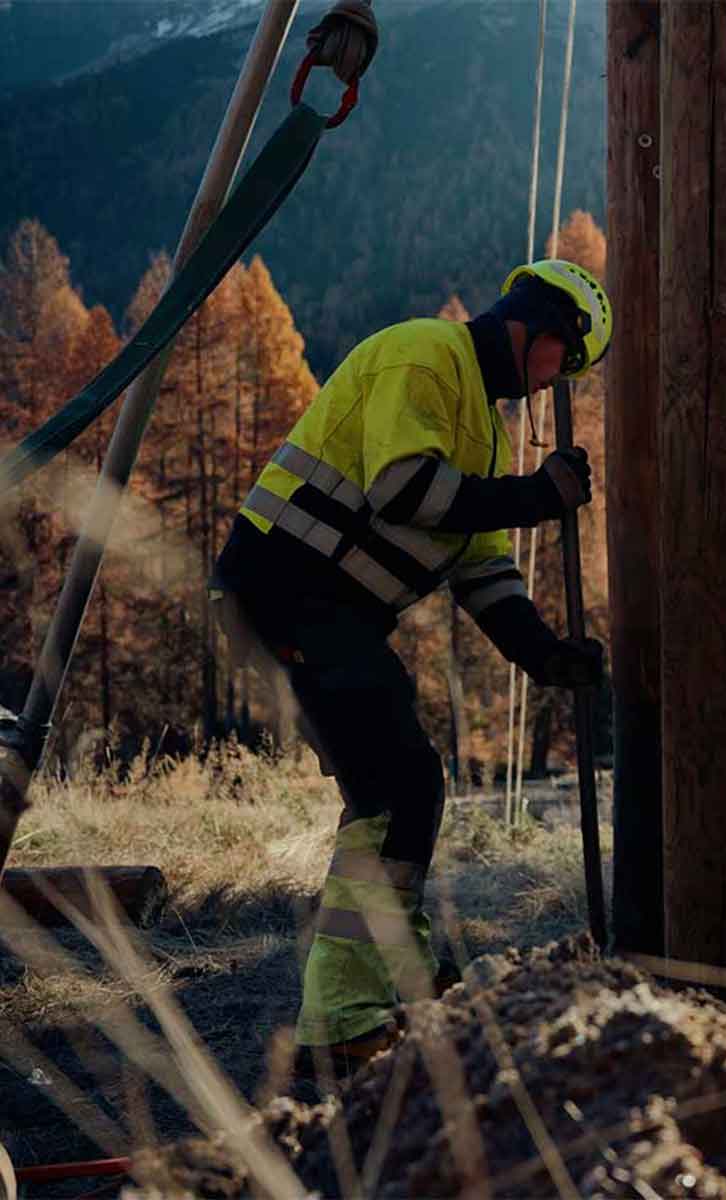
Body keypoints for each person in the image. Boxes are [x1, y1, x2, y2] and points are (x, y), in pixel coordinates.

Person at [210, 259, 612, 1073]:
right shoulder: (425, 355)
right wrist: (539, 495)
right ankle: (346, 1019)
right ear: (534, 326)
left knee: (400, 787)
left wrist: (546, 656)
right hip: (283, 591)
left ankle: (390, 979)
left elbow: (483, 572)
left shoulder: (485, 429)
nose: (552, 383)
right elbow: (407, 491)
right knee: (397, 784)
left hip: (329, 612)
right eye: (561, 361)